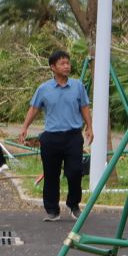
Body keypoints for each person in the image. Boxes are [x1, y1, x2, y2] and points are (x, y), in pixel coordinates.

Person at [19, 50, 93, 221]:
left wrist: (89, 126)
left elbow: (84, 107)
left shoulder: (77, 86)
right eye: (62, 63)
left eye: (68, 63)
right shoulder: (44, 89)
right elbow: (34, 108)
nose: (66, 66)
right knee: (51, 175)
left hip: (73, 136)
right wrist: (24, 127)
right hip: (51, 137)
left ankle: (73, 205)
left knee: (75, 171)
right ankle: (52, 210)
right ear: (53, 67)